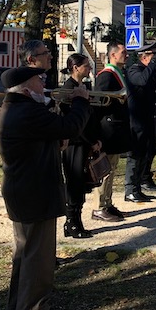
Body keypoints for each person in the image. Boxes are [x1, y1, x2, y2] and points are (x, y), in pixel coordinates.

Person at [0, 66, 90, 310]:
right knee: (38, 254)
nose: (44, 84)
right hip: (33, 190)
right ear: (26, 89)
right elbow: (69, 127)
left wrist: (54, 139)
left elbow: (47, 134)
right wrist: (81, 101)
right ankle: (33, 309)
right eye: (39, 80)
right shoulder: (26, 110)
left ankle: (19, 304)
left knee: (26, 252)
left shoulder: (19, 108)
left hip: (25, 189)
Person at [59, 54, 102, 238]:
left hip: (83, 143)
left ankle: (75, 222)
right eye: (86, 66)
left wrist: (96, 139)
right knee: (74, 183)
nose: (90, 69)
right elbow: (75, 123)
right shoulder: (69, 89)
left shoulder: (81, 87)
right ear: (76, 68)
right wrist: (91, 141)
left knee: (81, 184)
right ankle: (72, 223)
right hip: (74, 144)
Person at [91, 42, 131, 222]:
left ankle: (107, 202)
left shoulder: (118, 73)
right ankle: (99, 207)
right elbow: (98, 104)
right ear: (113, 55)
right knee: (105, 170)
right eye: (124, 52)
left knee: (112, 169)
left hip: (117, 128)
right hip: (107, 129)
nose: (127, 55)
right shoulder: (106, 76)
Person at [124, 41, 156, 202]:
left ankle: (139, 186)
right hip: (136, 120)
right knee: (135, 156)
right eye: (152, 55)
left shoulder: (151, 71)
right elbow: (141, 81)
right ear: (144, 56)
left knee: (145, 154)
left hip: (149, 119)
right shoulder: (134, 70)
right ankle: (130, 188)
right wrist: (152, 66)